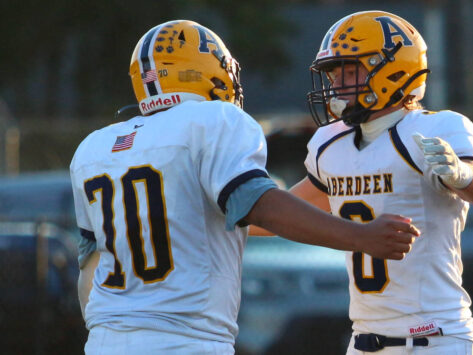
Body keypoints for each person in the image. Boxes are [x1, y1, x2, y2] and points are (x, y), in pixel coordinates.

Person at [69, 20, 420, 355]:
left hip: (104, 341)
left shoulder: (93, 147)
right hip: (186, 341)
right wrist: (361, 237)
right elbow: (259, 204)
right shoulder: (213, 120)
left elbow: (90, 270)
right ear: (205, 70)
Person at [251, 10, 473, 354]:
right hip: (364, 340)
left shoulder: (434, 128)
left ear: (393, 68)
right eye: (334, 72)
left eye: (350, 69)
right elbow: (282, 216)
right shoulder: (330, 143)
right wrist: (212, 218)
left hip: (435, 337)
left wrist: (463, 175)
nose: (338, 83)